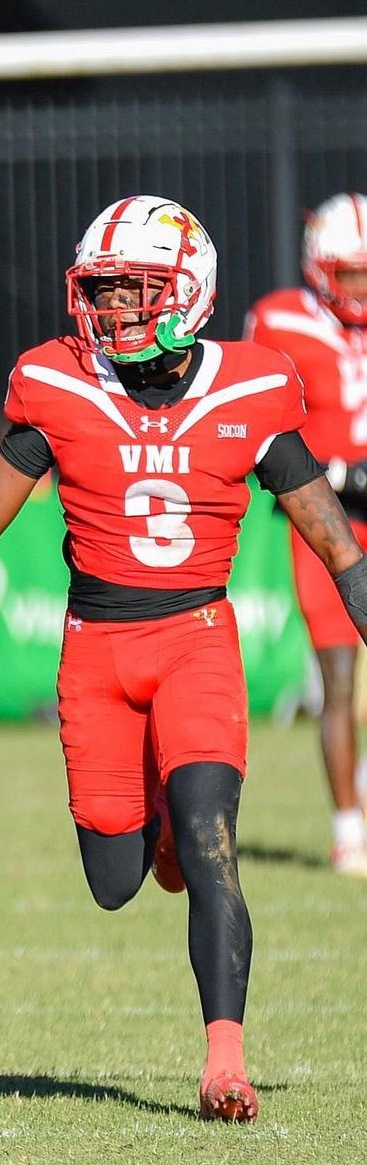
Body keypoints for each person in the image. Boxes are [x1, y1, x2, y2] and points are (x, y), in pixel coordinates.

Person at [0, 194, 367, 1123]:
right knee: (115, 882)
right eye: (102, 292)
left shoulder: (252, 388)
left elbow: (336, 543)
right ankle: (150, 821)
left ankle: (224, 1061)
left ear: (189, 294)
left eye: (133, 291)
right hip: (95, 653)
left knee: (211, 842)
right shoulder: (57, 380)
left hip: (197, 640)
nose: (111, 311)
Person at [244, 192, 367, 876]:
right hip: (324, 516)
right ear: (321, 268)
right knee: (340, 676)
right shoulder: (281, 321)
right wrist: (339, 474)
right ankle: (349, 827)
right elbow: (259, 424)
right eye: (351, 273)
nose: (361, 288)